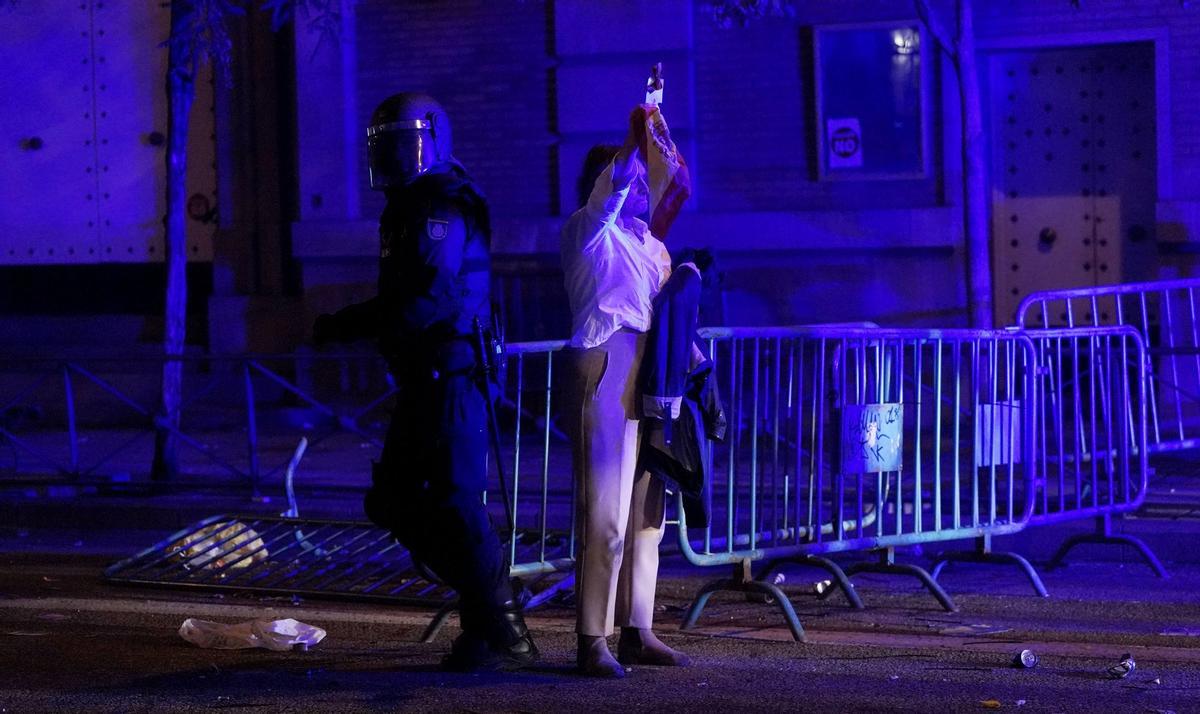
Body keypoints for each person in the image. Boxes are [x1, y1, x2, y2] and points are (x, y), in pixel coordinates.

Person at [313, 92, 537, 672]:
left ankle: (504, 627)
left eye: (400, 144)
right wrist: (350, 324)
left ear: (432, 140)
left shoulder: (441, 205)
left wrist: (347, 324)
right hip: (429, 374)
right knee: (398, 501)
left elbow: (428, 299)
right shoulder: (413, 204)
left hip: (453, 374)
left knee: (456, 503)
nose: (390, 158)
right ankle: (488, 617)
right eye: (382, 146)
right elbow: (404, 297)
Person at [560, 107, 691, 678]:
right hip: (606, 365)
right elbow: (610, 194)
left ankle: (639, 629)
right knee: (606, 513)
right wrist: (633, 143)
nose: (640, 189)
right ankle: (593, 638)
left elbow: (665, 297)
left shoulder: (646, 246)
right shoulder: (589, 233)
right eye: (631, 180)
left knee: (648, 514)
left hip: (649, 373)